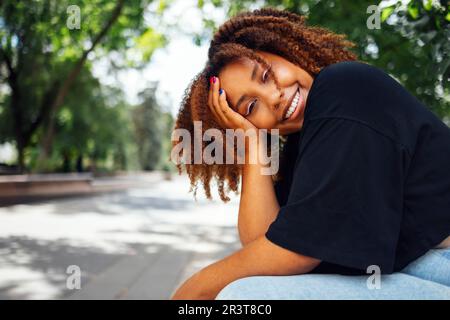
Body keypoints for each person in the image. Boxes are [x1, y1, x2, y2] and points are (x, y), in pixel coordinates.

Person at [170, 7, 450, 300]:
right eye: (251, 108)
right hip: (415, 270)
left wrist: (195, 288)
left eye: (266, 74)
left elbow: (292, 254)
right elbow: (262, 250)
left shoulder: (344, 86)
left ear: (283, 51)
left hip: (440, 264)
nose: (274, 97)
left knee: (246, 296)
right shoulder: (302, 147)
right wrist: (253, 147)